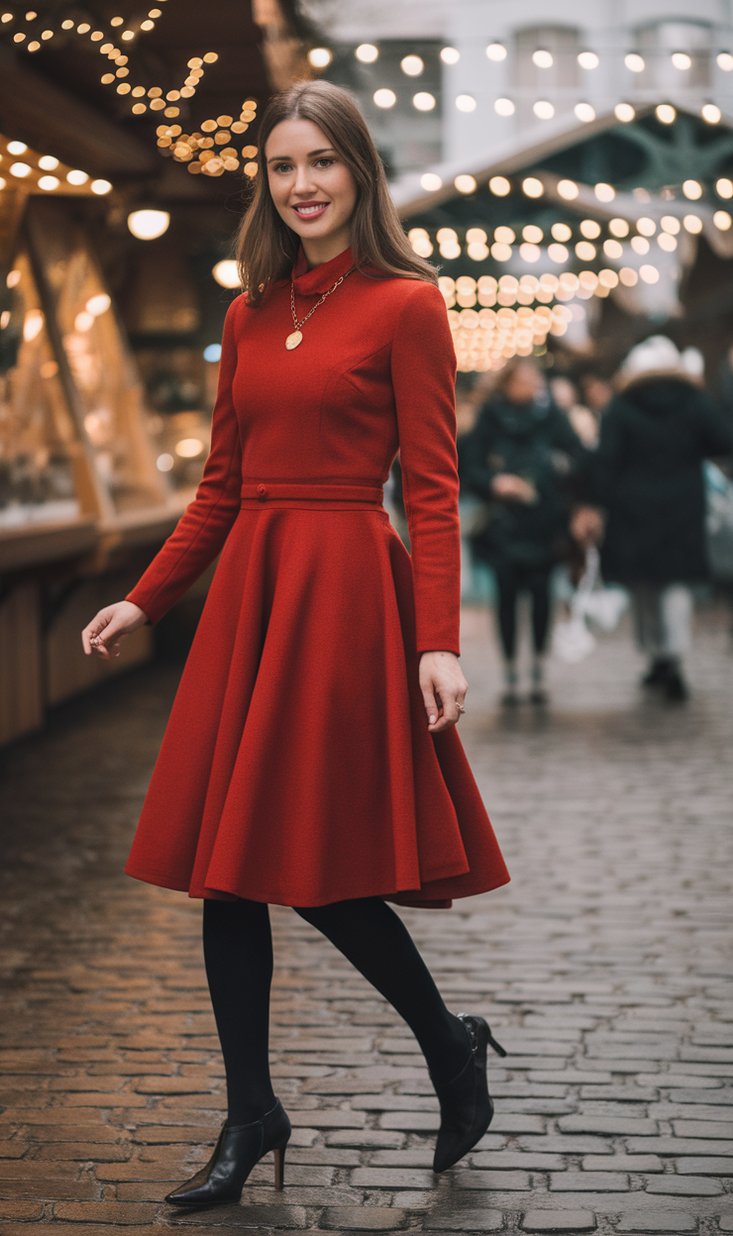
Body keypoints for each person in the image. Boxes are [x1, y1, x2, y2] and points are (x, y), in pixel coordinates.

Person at [81, 80, 509, 1212]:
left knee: (314, 866)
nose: (302, 184)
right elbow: (219, 485)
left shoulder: (406, 305)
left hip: (343, 600)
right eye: (281, 166)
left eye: (321, 161)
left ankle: (445, 1043)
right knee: (231, 873)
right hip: (251, 600)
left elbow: (431, 490)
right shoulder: (247, 310)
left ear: (358, 173)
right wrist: (147, 599)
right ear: (264, 183)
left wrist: (437, 643)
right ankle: (249, 1111)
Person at [583, 336, 732, 701]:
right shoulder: (695, 402)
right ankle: (674, 657)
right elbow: (723, 440)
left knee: (644, 585)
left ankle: (655, 656)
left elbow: (606, 460)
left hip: (632, 508)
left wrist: (593, 503)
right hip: (683, 505)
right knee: (676, 585)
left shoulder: (621, 406)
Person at [460, 359, 587, 705]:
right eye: (525, 380)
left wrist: (556, 473)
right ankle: (511, 670)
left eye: (536, 379)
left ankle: (539, 669)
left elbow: (577, 456)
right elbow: (468, 464)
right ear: (507, 384)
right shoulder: (490, 416)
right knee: (506, 598)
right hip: (503, 523)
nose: (533, 385)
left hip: (545, 522)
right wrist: (495, 482)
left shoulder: (551, 416)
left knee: (543, 595)